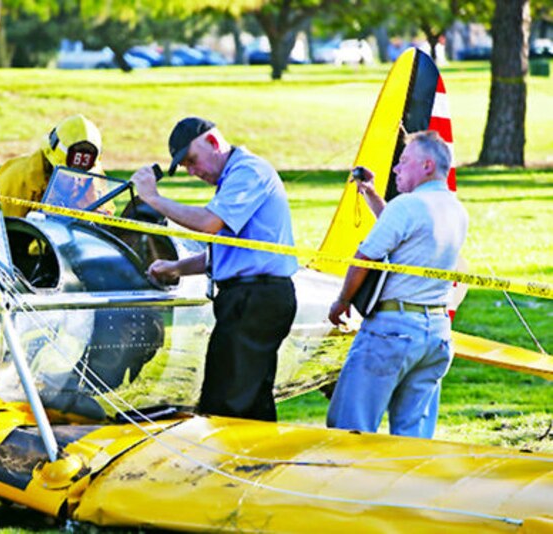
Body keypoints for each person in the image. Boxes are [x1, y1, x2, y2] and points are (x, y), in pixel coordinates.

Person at [129, 117, 297, 421]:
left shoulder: (248, 171)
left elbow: (208, 223)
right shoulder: (233, 181)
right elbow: (228, 252)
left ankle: (228, 464)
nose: (193, 172)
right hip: (251, 297)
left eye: (192, 161)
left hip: (255, 298)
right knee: (249, 403)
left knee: (225, 405)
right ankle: (252, 464)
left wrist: (153, 198)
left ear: (213, 142)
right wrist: (176, 268)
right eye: (186, 168)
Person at [326, 130, 467, 438]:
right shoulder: (456, 209)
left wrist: (342, 301)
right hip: (436, 334)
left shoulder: (408, 205)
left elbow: (364, 258)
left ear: (427, 166)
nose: (396, 169)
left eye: (404, 161)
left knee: (351, 428)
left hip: (392, 331)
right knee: (413, 438)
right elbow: (404, 230)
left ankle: (346, 485)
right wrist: (371, 195)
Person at [0, 114, 108, 218]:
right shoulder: (16, 177)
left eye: (82, 176)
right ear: (50, 164)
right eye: (67, 174)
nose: (76, 181)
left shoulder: (94, 180)